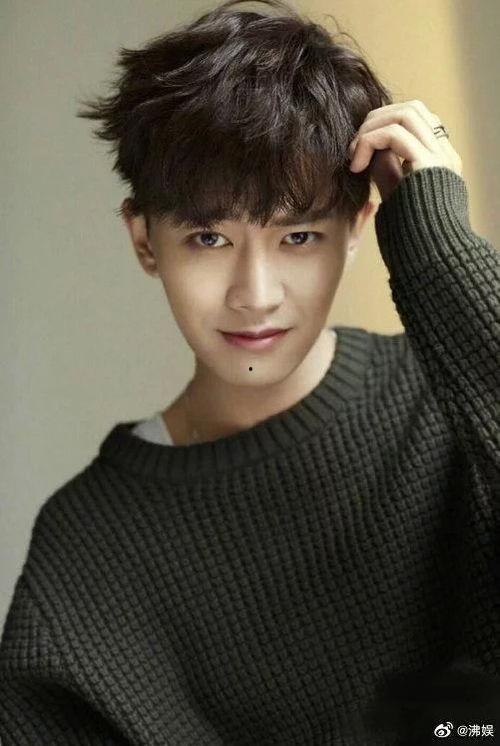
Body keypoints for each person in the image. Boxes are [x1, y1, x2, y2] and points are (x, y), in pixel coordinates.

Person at [1, 0, 499, 743]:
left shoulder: (449, 404)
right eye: (209, 238)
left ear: (358, 228)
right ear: (144, 241)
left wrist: (443, 254)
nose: (255, 294)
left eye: (298, 236)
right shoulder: (88, 549)